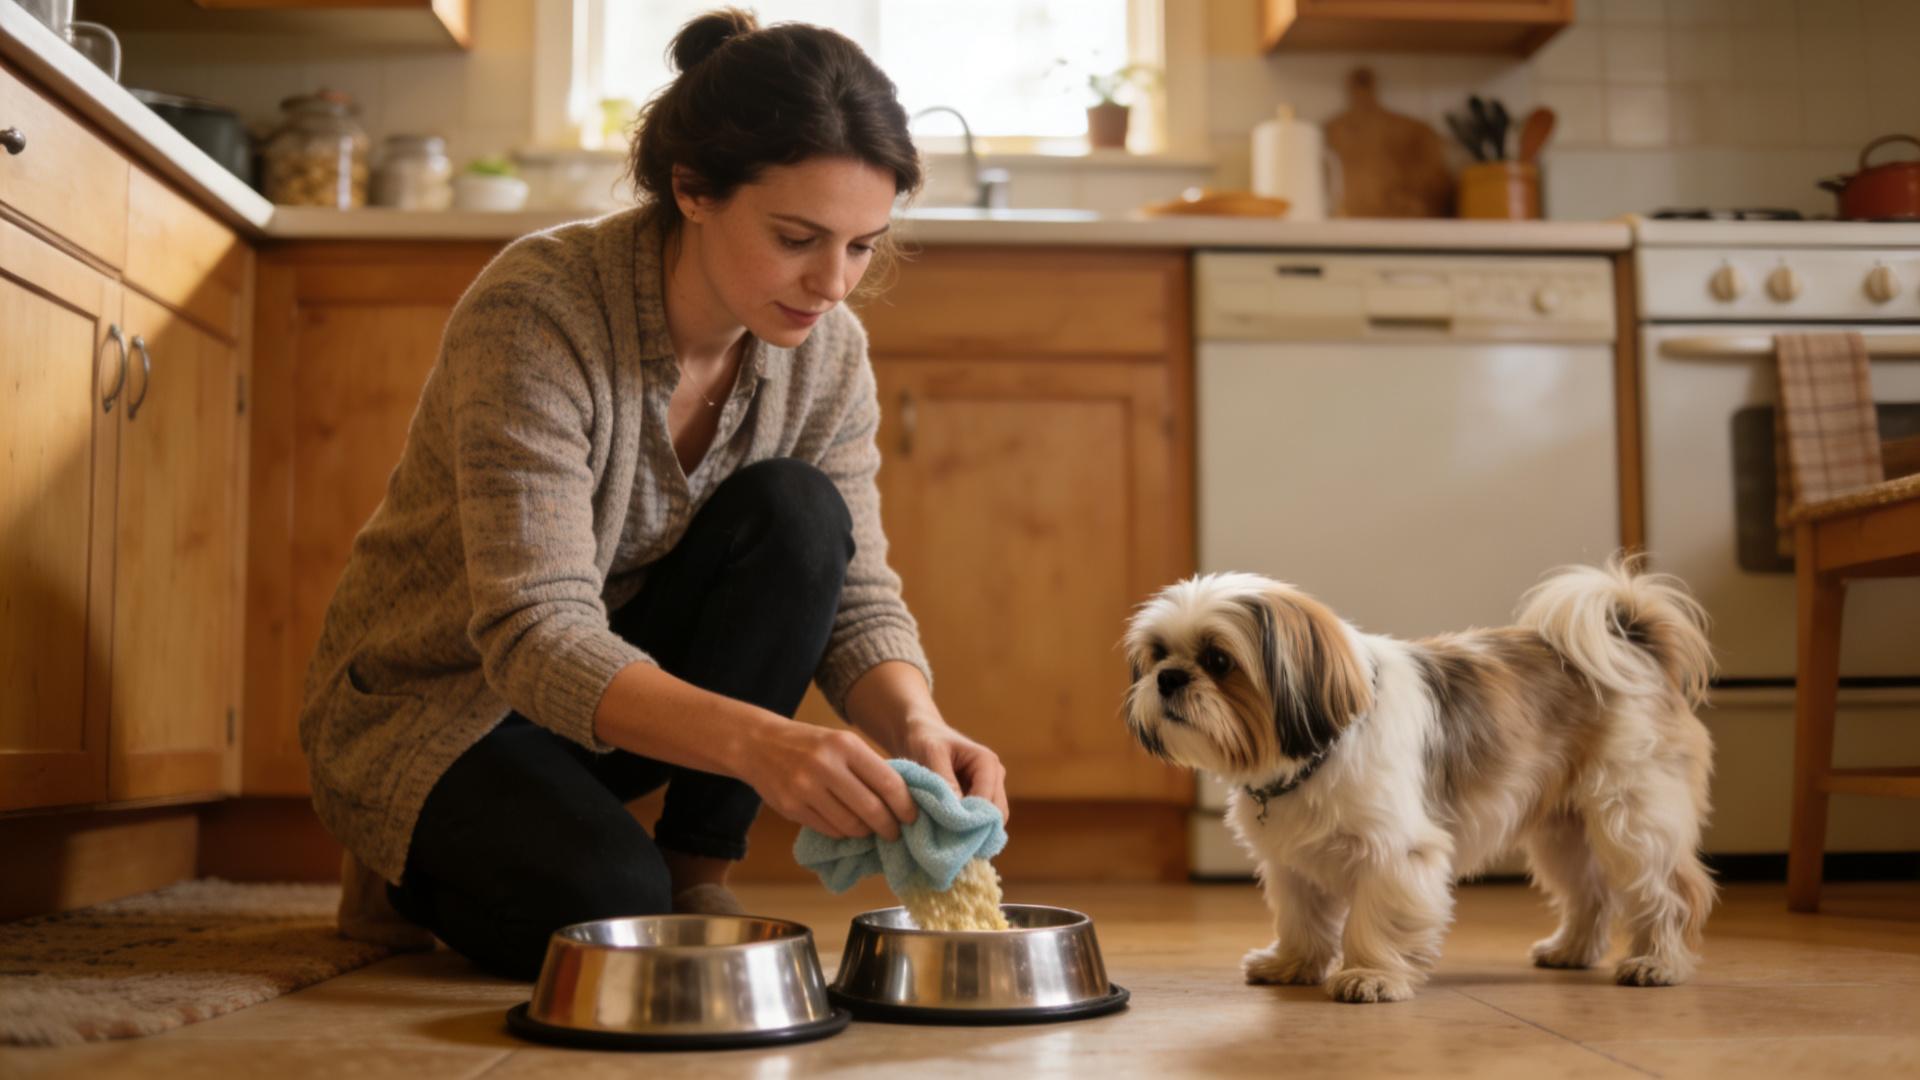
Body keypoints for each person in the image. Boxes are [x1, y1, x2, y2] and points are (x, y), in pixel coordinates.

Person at [300, 7, 1008, 980]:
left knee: (801, 513)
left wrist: (918, 730)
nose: (833, 283)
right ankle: (399, 854)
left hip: (611, 707)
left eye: (860, 246)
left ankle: (693, 871)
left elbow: (852, 593)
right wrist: (769, 746)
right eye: (799, 237)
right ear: (693, 190)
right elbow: (534, 632)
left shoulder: (827, 349)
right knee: (604, 917)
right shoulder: (539, 310)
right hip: (442, 704)